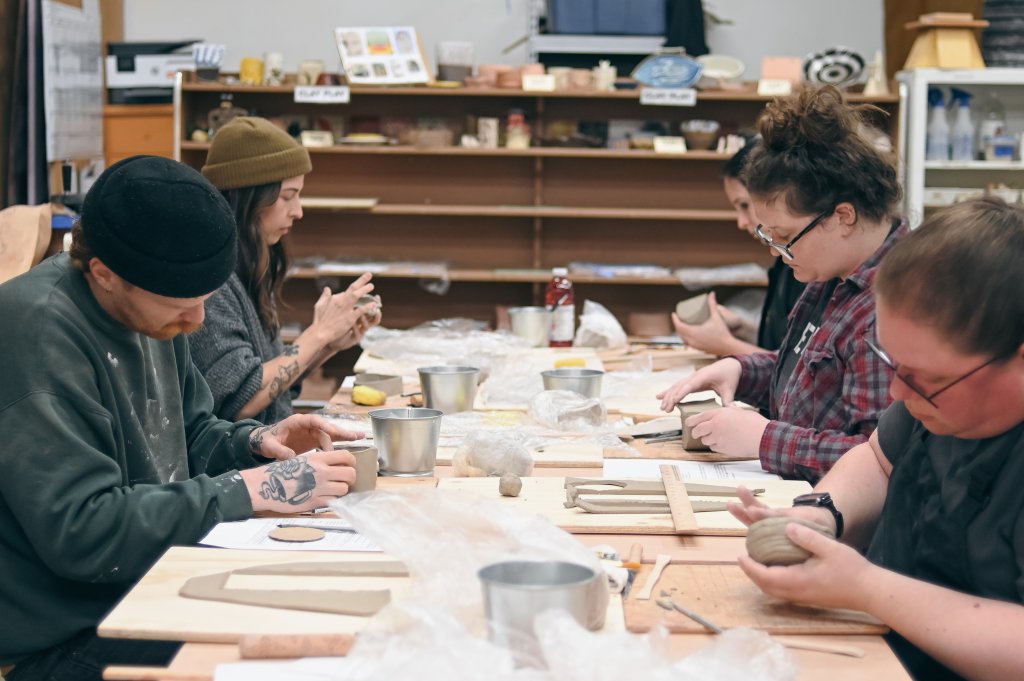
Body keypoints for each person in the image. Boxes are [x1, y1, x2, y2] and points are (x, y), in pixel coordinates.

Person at [0, 156, 362, 679]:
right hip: (60, 633)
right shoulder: (38, 334)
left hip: (142, 587)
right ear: (103, 273)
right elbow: (83, 531)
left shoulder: (153, 311)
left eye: (205, 302)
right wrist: (252, 489)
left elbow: (188, 431)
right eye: (180, 306)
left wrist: (258, 443)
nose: (196, 322)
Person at [729, 197, 1024, 681]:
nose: (897, 391)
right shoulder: (929, 400)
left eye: (926, 377)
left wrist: (866, 588)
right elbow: (879, 460)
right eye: (893, 362)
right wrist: (819, 515)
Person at [657, 86, 903, 481]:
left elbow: (881, 458)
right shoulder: (835, 273)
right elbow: (814, 369)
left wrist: (764, 438)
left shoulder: (893, 305)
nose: (776, 251)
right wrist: (742, 370)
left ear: (842, 217)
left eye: (783, 236)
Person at [193, 116, 381, 423]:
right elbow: (241, 399)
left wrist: (328, 344)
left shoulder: (250, 264)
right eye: (287, 197)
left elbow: (273, 381)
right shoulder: (212, 283)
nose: (298, 211)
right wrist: (318, 334)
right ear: (248, 198)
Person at [672, 138, 806, 355]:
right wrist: (743, 329)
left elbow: (801, 374)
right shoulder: (785, 262)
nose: (741, 222)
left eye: (745, 205)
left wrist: (726, 345)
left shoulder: (813, 267)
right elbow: (785, 347)